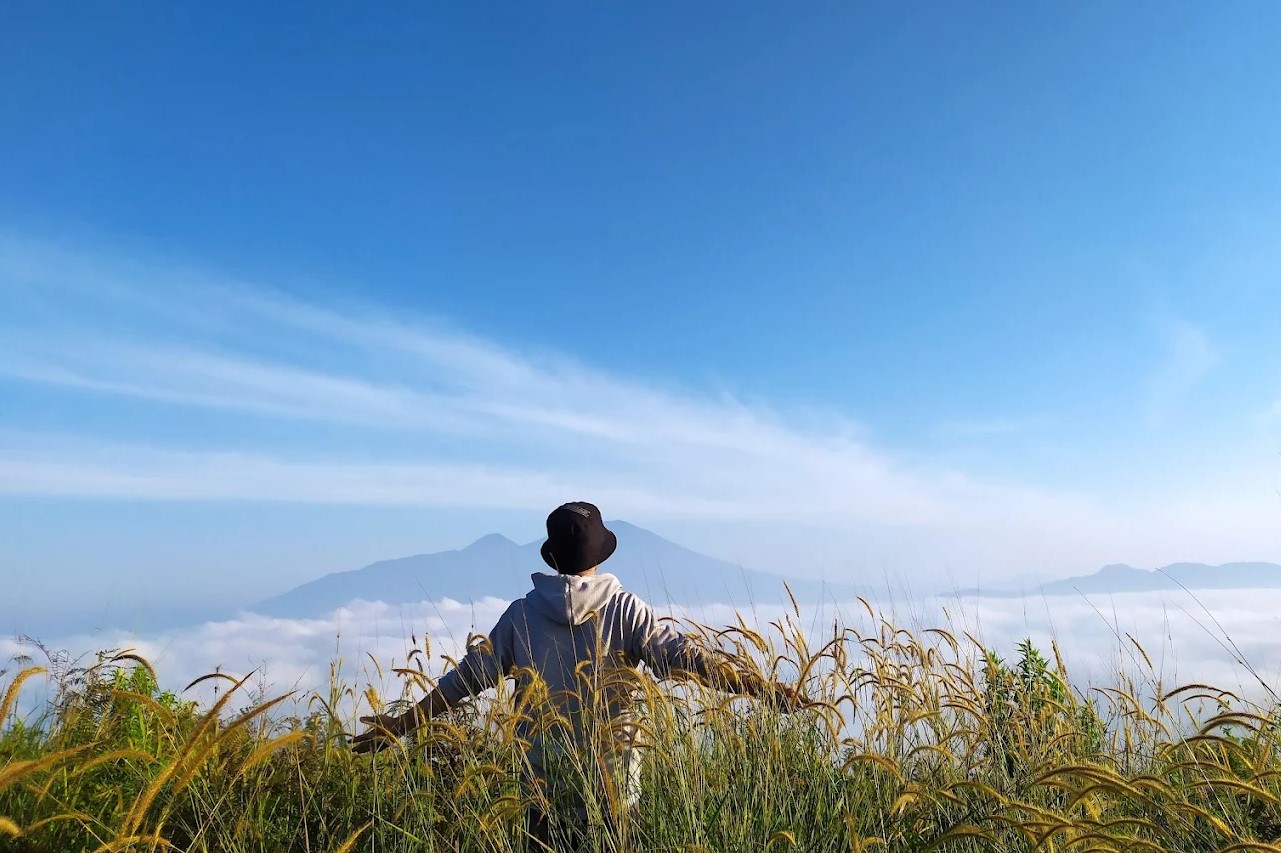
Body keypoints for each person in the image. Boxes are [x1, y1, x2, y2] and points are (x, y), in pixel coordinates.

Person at [351, 501, 803, 850]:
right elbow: (688, 659)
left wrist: (400, 727)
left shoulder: (521, 616)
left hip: (541, 788)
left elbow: (463, 683)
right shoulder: (626, 610)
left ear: (552, 557)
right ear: (599, 552)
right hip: (615, 784)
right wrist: (763, 690)